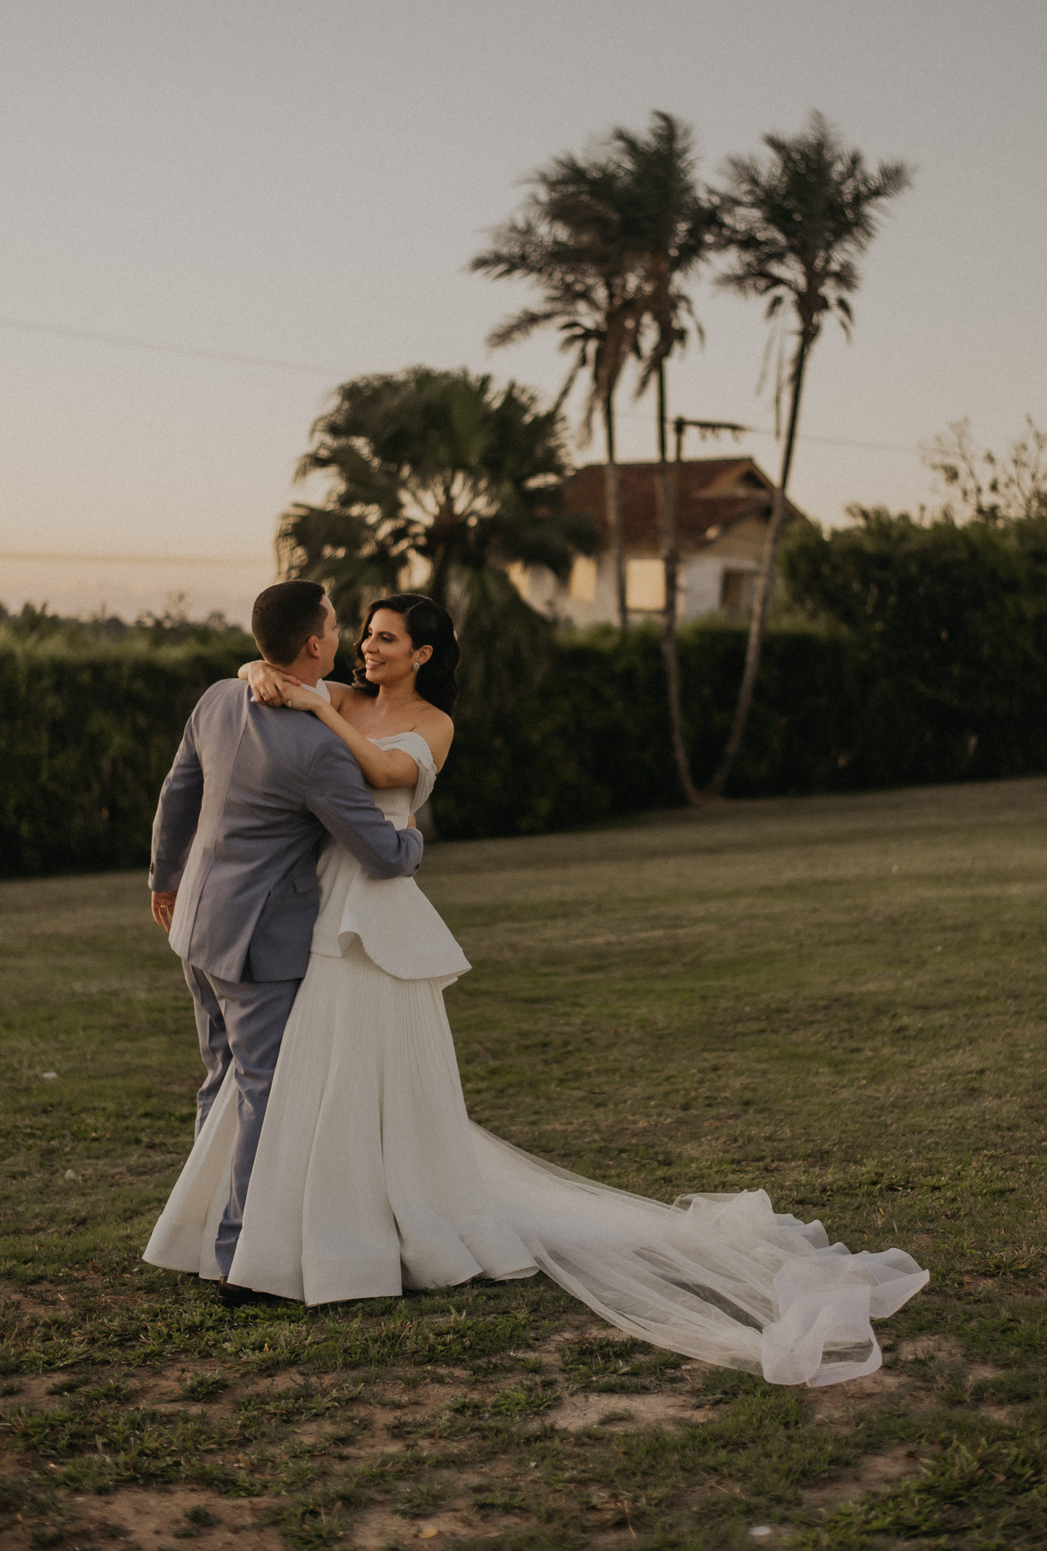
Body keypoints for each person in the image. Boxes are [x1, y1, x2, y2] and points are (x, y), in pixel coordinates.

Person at [145, 592, 929, 1386]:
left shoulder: (426, 724)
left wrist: (316, 711)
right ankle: (280, 1227)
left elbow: (383, 772)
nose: (368, 647)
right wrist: (262, 672)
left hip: (369, 909)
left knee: (331, 1077)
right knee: (302, 1080)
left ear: (423, 654)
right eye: (365, 634)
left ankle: (324, 1231)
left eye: (386, 638)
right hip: (315, 909)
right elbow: (275, 674)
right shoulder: (335, 699)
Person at [146, 580, 423, 1305]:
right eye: (335, 624)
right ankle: (239, 1258)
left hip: (195, 924)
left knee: (220, 1082)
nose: (345, 636)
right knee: (263, 1094)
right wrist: (413, 840)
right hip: (256, 945)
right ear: (314, 644)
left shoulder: (217, 698)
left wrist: (164, 880)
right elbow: (379, 855)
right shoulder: (317, 750)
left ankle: (200, 1232)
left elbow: (176, 794)